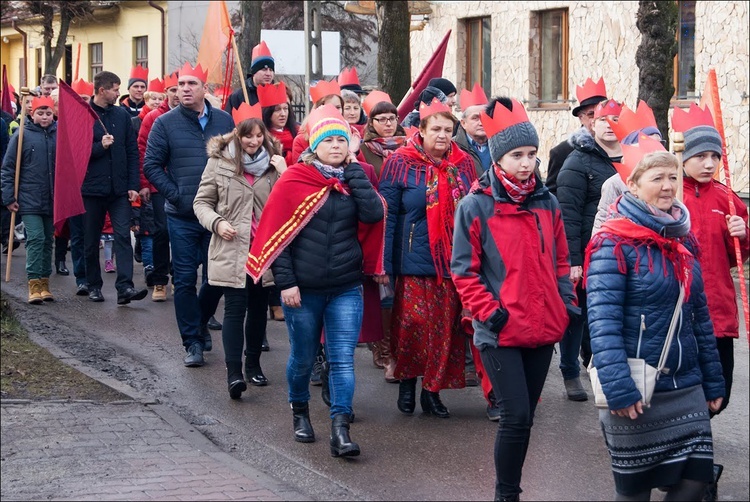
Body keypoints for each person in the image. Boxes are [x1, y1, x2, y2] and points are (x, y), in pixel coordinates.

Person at [451, 98, 577, 502]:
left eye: (532, 154)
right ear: (497, 157)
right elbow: (464, 271)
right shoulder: (475, 205)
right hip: (500, 331)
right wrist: (492, 313)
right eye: (516, 155)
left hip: (543, 328)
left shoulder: (547, 202)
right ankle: (507, 494)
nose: (526, 163)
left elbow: (561, 260)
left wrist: (566, 303)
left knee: (527, 419)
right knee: (515, 416)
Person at [585, 148, 725, 502]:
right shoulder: (611, 242)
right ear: (632, 185)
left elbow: (700, 317)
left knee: (696, 481)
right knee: (635, 493)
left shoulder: (683, 239)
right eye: (657, 178)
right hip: (638, 386)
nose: (668, 186)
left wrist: (712, 379)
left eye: (673, 177)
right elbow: (602, 322)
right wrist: (618, 388)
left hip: (686, 384)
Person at [246, 104, 385, 457]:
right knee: (304, 358)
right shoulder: (294, 179)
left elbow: (373, 213)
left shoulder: (355, 177)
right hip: (302, 289)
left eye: (342, 139)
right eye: (329, 140)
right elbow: (280, 236)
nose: (336, 146)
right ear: (315, 145)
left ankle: (341, 429)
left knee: (341, 360)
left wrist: (354, 176)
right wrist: (286, 283)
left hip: (346, 286)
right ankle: (300, 413)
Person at [379, 98, 476, 418]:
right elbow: (388, 215)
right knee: (411, 326)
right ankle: (407, 381)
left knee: (444, 330)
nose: (443, 135)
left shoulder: (464, 165)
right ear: (420, 130)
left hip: (453, 261)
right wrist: (386, 264)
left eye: (449, 130)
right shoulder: (400, 162)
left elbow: (472, 215)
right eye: (435, 129)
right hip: (412, 262)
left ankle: (432, 391)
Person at [143, 62, 234, 367]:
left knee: (215, 278)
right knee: (183, 280)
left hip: (217, 215)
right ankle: (192, 342)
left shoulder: (223, 120)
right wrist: (177, 195)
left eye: (191, 83)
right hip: (181, 215)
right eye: (181, 84)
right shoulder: (165, 123)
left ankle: (200, 321)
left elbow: (236, 162)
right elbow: (151, 165)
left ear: (204, 89)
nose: (184, 89)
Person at [194, 103, 287, 399]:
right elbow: (201, 203)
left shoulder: (274, 165)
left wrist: (284, 172)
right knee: (235, 308)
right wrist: (217, 223)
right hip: (232, 248)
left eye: (259, 136)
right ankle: (234, 373)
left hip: (264, 248)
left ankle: (253, 365)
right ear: (237, 134)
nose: (254, 141)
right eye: (248, 136)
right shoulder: (218, 162)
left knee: (259, 309)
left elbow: (288, 202)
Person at [555, 98, 622, 400]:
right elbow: (567, 214)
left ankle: (605, 369)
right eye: (602, 119)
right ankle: (570, 370)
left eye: (614, 119)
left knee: (612, 315)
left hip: (623, 254)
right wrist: (573, 260)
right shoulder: (576, 161)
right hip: (588, 250)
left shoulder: (634, 158)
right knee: (577, 314)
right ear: (592, 123)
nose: (608, 124)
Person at [82, 71, 147, 305]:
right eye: (115, 89)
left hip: (119, 189)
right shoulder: (84, 116)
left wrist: (133, 185)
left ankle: (125, 288)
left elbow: (132, 151)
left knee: (122, 236)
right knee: (91, 240)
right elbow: (77, 154)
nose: (119, 93)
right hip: (91, 189)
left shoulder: (121, 116)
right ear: (102, 90)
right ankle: (93, 285)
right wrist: (100, 146)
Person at [1, 96, 58, 304]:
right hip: (29, 197)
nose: (44, 117)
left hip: (52, 199)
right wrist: (8, 197)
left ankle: (45, 281)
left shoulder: (58, 135)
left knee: (48, 240)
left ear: (53, 114)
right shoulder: (21, 135)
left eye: (48, 113)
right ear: (31, 114)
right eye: (40, 113)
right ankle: (33, 282)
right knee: (35, 238)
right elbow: (8, 168)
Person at [138, 71, 179, 303]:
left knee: (184, 234)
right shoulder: (153, 117)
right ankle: (160, 280)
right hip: (159, 185)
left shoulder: (193, 115)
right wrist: (144, 183)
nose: (176, 94)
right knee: (162, 231)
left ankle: (180, 277)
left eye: (180, 89)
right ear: (167, 92)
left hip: (184, 183)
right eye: (172, 89)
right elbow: (143, 150)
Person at [592, 100, 663, 233]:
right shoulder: (615, 183)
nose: (655, 150)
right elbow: (602, 222)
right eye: (648, 144)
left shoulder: (670, 179)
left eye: (659, 144)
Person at [546, 77, 607, 195]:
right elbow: (553, 194)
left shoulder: (623, 148)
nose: (597, 120)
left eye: (603, 115)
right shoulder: (562, 152)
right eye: (591, 114)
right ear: (581, 118)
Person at [225, 41, 275, 112]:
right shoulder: (239, 96)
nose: (268, 74)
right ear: (254, 72)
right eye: (264, 69)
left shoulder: (276, 94)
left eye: (271, 70)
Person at [454, 84, 491, 179]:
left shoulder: (502, 144)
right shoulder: (452, 148)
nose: (481, 123)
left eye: (485, 117)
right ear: (463, 123)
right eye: (475, 118)